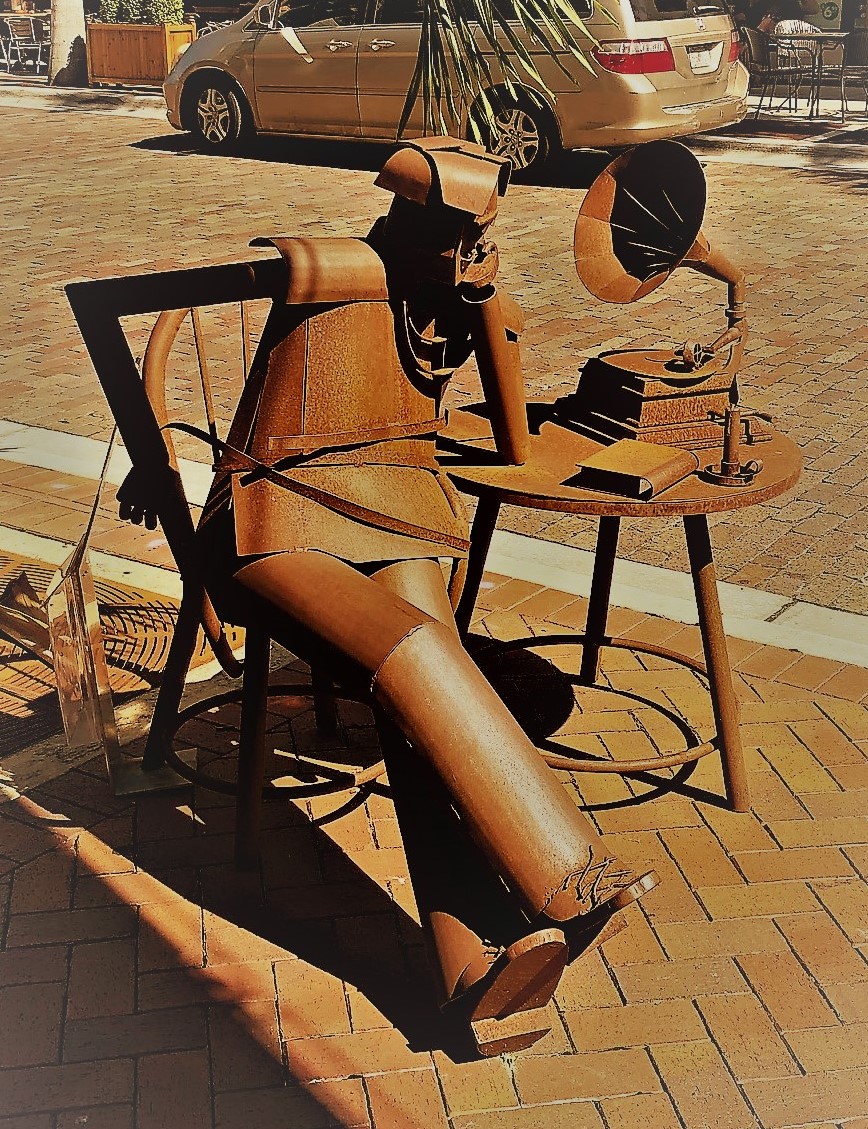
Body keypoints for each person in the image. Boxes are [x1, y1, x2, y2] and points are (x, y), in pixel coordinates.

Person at [122, 138, 658, 1055]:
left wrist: (488, 311)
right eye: (456, 237)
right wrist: (154, 455)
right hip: (269, 513)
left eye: (479, 237)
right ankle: (569, 873)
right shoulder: (330, 269)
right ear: (411, 223)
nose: (469, 254)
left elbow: (517, 443)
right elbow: (147, 316)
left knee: (421, 687)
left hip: (391, 503)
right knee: (413, 651)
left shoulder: (451, 299)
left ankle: (468, 973)